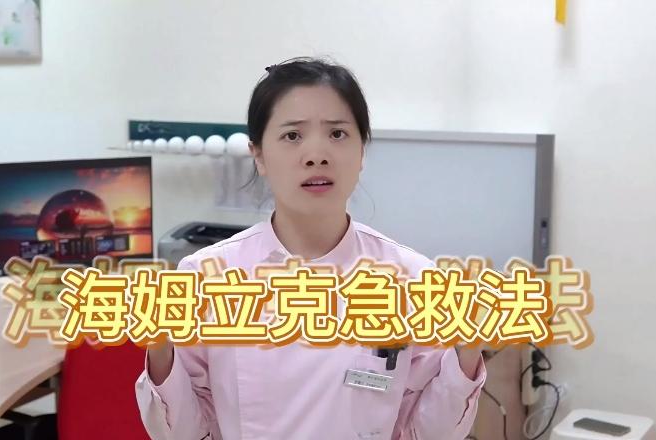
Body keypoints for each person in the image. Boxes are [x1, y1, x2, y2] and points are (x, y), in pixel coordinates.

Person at [135, 57, 486, 440]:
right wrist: (160, 350)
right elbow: (187, 433)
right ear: (258, 155)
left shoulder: (413, 278)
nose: (317, 154)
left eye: (337, 133)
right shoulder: (207, 276)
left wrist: (467, 352)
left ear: (362, 152)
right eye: (292, 136)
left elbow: (425, 433)